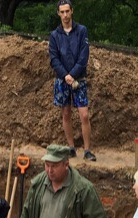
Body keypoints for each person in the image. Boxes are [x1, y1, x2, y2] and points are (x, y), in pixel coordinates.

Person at [49, 1, 96, 161]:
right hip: (62, 81)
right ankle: (71, 148)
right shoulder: (55, 35)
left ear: (72, 11)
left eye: (67, 11)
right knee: (66, 114)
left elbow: (84, 56)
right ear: (58, 13)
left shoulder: (81, 31)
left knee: (84, 115)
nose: (65, 15)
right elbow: (54, 58)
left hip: (79, 79)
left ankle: (87, 150)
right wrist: (65, 76)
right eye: (62, 12)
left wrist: (73, 74)